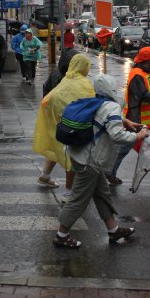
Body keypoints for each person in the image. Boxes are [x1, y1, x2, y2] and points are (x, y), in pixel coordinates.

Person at [53, 74, 149, 248]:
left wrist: (125, 121)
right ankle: (62, 235)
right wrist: (138, 135)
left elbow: (104, 120)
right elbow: (117, 135)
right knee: (78, 199)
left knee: (102, 193)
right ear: (111, 88)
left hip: (81, 155)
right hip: (90, 161)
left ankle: (113, 230)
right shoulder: (112, 106)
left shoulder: (96, 101)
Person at [33, 54, 94, 203]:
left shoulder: (66, 79)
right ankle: (68, 192)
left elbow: (48, 99)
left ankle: (45, 174)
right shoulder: (84, 83)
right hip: (74, 126)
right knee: (71, 157)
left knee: (58, 146)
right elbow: (91, 102)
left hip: (59, 121)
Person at [106, 46, 150, 183]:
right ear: (147, 61)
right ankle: (109, 172)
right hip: (137, 120)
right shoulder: (138, 75)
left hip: (147, 119)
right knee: (125, 147)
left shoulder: (143, 73)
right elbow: (145, 96)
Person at [42, 30, 78, 96]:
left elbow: (46, 88)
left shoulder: (55, 73)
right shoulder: (78, 77)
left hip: (65, 46)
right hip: (70, 46)